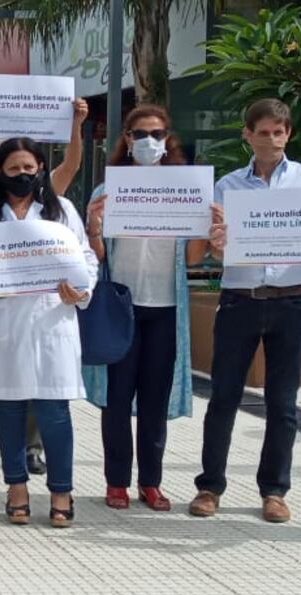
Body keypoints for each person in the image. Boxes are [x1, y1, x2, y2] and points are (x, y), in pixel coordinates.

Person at [190, 98, 301, 523]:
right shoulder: (227, 187)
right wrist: (216, 243)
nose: (271, 140)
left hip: (293, 300)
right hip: (239, 301)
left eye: (278, 132)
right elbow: (207, 251)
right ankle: (210, 486)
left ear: (289, 134)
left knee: (283, 403)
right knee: (223, 397)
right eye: (262, 132)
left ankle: (274, 491)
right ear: (247, 134)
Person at [0, 137, 98, 527]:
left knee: (54, 410)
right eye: (13, 169)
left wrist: (82, 290)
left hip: (51, 320)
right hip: (0, 323)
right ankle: (15, 487)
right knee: (10, 408)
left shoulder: (61, 210)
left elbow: (85, 257)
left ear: (40, 169)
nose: (22, 175)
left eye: (29, 168)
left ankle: (61, 490)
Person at [82, 106, 211, 510]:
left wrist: (206, 227)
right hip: (122, 306)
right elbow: (98, 257)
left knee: (154, 400)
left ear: (168, 138)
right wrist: (93, 230)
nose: (149, 142)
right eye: (140, 134)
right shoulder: (106, 193)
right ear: (126, 138)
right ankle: (116, 481)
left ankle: (150, 482)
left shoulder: (186, 191)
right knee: (117, 399)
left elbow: (192, 260)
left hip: (166, 307)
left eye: (157, 133)